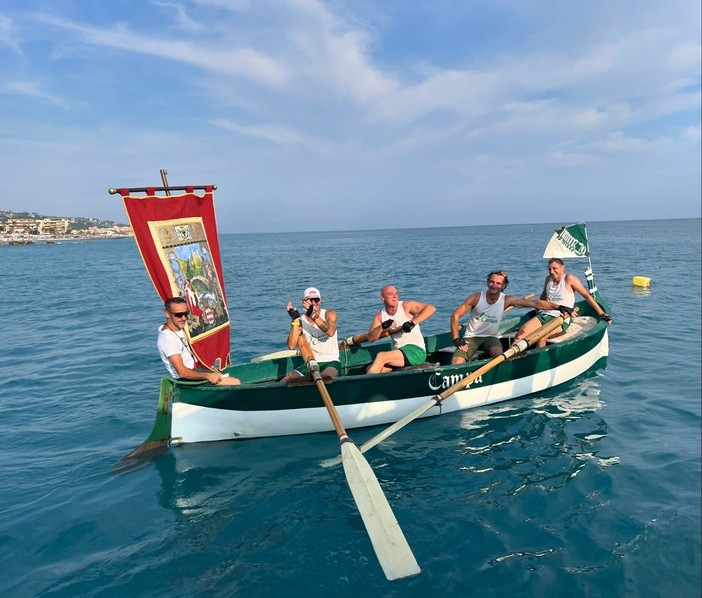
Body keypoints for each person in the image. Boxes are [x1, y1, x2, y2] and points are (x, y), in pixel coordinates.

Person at [450, 270, 569, 364]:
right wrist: (456, 339)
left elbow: (535, 303)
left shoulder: (507, 300)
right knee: (456, 362)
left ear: (503, 286)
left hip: (490, 338)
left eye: (498, 283)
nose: (494, 285)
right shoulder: (476, 297)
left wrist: (558, 307)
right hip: (471, 338)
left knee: (500, 356)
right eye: (491, 282)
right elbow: (455, 315)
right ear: (487, 282)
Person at [514, 258, 613, 348]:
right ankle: (510, 362)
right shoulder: (548, 279)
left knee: (541, 337)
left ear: (562, 268)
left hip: (561, 318)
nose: (552, 271)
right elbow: (543, 297)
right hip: (545, 315)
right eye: (549, 269)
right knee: (520, 334)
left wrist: (601, 314)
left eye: (554, 268)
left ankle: (539, 364)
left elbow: (587, 296)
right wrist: (536, 311)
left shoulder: (569, 279)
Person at [157, 297, 240, 385]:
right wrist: (208, 376)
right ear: (167, 314)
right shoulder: (168, 339)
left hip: (197, 369)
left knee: (234, 374)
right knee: (235, 382)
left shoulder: (179, 327)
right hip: (187, 379)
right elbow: (182, 372)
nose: (184, 318)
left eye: (186, 313)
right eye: (178, 315)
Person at [366, 285, 436, 374]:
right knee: (370, 368)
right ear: (383, 297)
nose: (395, 296)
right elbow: (370, 338)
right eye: (390, 294)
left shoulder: (406, 306)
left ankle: (366, 386)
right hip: (399, 353)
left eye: (396, 294)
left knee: (381, 356)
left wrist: (412, 322)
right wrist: (382, 326)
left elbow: (431, 308)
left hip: (416, 351)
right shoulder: (380, 316)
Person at [282, 287, 341, 383]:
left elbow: (330, 332)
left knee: (324, 379)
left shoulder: (329, 314)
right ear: (303, 301)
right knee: (285, 381)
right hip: (310, 364)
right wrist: (295, 320)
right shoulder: (300, 321)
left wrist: (313, 315)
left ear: (320, 300)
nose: (313, 303)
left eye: (316, 300)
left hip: (331, 362)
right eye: (309, 300)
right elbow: (291, 345)